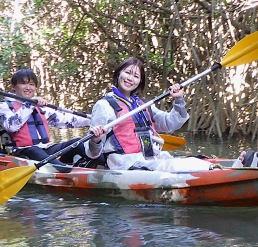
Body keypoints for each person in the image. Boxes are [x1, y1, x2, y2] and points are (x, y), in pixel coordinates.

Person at [84, 58, 215, 172]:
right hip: (124, 163)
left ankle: (215, 168)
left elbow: (171, 124)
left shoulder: (144, 105)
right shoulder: (104, 106)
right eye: (127, 72)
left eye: (136, 76)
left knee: (194, 161)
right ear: (119, 74)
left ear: (140, 82)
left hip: (149, 158)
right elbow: (94, 153)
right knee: (172, 166)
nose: (130, 78)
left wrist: (179, 100)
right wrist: (96, 140)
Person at [0, 68, 91, 165]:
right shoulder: (4, 106)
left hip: (46, 150)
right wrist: (30, 104)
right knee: (34, 150)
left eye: (31, 84)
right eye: (23, 83)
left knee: (78, 142)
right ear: (14, 86)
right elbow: (11, 127)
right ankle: (63, 170)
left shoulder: (40, 107)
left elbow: (68, 120)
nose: (28, 87)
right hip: (19, 153)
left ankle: (102, 166)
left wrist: (92, 120)